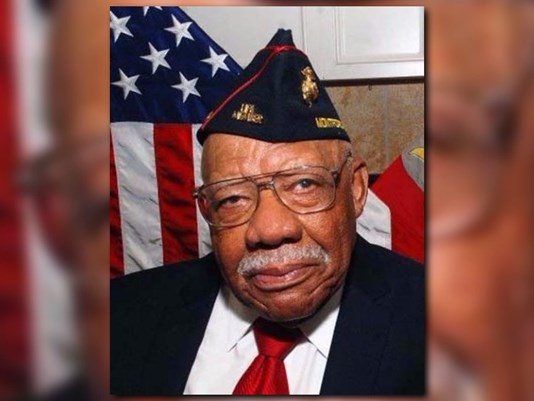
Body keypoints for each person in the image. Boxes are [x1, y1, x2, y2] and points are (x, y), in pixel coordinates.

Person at [111, 29, 425, 396]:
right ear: (206, 209)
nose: (270, 229)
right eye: (232, 198)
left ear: (355, 189)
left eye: (304, 184)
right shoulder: (119, 315)